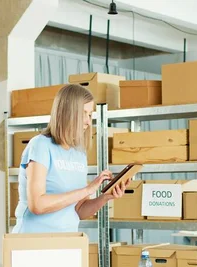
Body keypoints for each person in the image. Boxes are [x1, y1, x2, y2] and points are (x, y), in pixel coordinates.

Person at [12, 84, 130, 233]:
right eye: (83, 114)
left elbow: (78, 210)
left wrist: (105, 197)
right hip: (33, 241)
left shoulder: (79, 153)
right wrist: (87, 189)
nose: (88, 121)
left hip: (67, 241)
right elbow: (37, 205)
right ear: (67, 113)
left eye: (90, 114)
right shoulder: (40, 145)